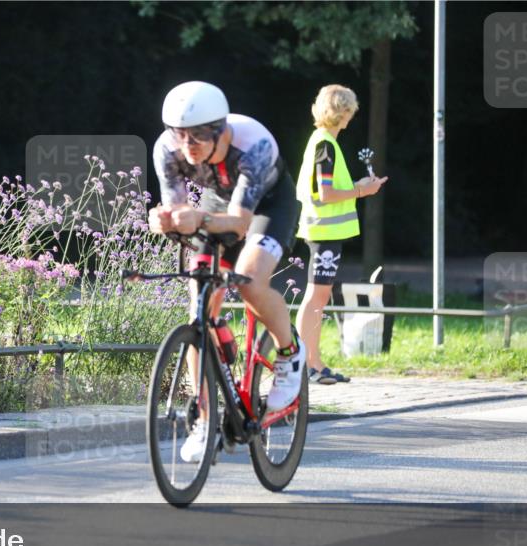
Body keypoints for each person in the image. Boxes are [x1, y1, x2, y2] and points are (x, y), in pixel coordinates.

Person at [148, 81, 305, 463]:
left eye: (200, 134)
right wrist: (164, 219)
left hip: (267, 205)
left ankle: (291, 353)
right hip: (220, 202)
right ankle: (205, 419)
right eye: (180, 133)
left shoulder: (254, 144)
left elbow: (239, 223)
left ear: (221, 129)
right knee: (198, 305)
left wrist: (196, 217)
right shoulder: (166, 149)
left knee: (250, 280)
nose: (189, 143)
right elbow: (179, 209)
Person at [295, 85, 388, 385]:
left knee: (317, 296)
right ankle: (306, 364)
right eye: (350, 110)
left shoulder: (322, 142)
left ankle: (310, 362)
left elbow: (329, 189)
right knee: (316, 297)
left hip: (324, 230)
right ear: (343, 112)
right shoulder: (325, 145)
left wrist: (358, 185)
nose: (351, 116)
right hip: (324, 231)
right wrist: (363, 190)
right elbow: (326, 193)